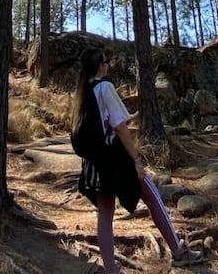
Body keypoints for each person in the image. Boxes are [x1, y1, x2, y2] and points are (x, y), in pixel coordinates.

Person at [73, 47, 205, 272]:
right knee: (153, 198)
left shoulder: (84, 92)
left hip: (96, 163)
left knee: (105, 215)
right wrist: (136, 160)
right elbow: (120, 128)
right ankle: (179, 252)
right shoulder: (105, 87)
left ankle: (110, 270)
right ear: (100, 66)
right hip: (117, 158)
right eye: (106, 61)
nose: (109, 65)